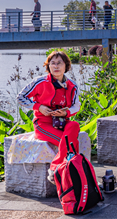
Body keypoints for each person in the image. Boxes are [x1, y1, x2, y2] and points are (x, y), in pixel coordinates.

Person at [17, 50, 80, 182]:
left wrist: (66, 112)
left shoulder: (72, 86)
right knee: (70, 144)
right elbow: (20, 97)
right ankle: (72, 173)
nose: (56, 66)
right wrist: (38, 107)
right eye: (53, 63)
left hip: (62, 122)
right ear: (48, 66)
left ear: (66, 66)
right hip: (43, 124)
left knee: (74, 125)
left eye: (59, 63)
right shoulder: (39, 82)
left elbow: (76, 106)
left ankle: (57, 168)